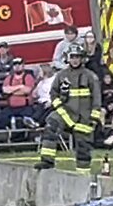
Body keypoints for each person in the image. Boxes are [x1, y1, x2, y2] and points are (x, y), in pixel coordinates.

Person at [37, 43, 101, 171]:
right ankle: (47, 161)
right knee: (51, 124)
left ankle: (83, 177)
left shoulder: (90, 76)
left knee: (83, 149)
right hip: (65, 112)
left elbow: (97, 99)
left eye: (77, 57)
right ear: (67, 58)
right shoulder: (61, 75)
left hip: (84, 117)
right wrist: (59, 106)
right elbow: (53, 94)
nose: (75, 60)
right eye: (72, 57)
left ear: (82, 58)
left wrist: (94, 118)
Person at [0, 58, 37, 129]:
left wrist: (12, 90)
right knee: (0, 118)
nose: (17, 66)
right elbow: (5, 90)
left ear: (23, 65)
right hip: (11, 107)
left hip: (25, 107)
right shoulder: (9, 78)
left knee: (27, 119)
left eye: (19, 64)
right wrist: (20, 87)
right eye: (15, 65)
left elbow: (27, 90)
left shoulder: (28, 77)